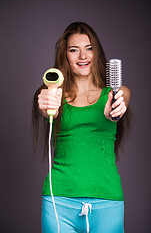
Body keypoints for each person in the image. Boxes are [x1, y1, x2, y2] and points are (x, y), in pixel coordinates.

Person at [32, 22, 131, 233]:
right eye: (74, 50)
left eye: (89, 48)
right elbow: (46, 105)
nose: (82, 56)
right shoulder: (53, 93)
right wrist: (45, 105)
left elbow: (118, 108)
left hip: (107, 201)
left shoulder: (116, 93)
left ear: (97, 52)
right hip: (59, 202)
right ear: (65, 55)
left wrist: (115, 109)